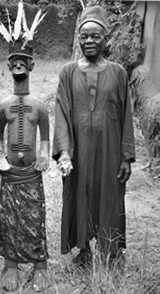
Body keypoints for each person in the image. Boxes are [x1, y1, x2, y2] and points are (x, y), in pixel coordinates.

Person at [53, 5, 135, 268]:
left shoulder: (118, 73)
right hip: (78, 151)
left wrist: (126, 156)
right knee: (79, 193)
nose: (89, 41)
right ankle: (83, 249)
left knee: (109, 195)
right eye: (84, 36)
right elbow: (62, 112)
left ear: (105, 39)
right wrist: (65, 152)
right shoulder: (67, 72)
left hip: (110, 150)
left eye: (95, 36)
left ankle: (110, 249)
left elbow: (125, 116)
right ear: (79, 38)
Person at [0, 2, 50, 292]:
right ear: (8, 66)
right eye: (14, 62)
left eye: (23, 61)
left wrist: (46, 156)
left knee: (35, 217)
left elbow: (46, 139)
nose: (18, 66)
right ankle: (10, 264)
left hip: (31, 174)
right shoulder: (2, 107)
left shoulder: (40, 107)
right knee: (10, 217)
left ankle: (40, 266)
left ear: (32, 65)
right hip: (10, 174)